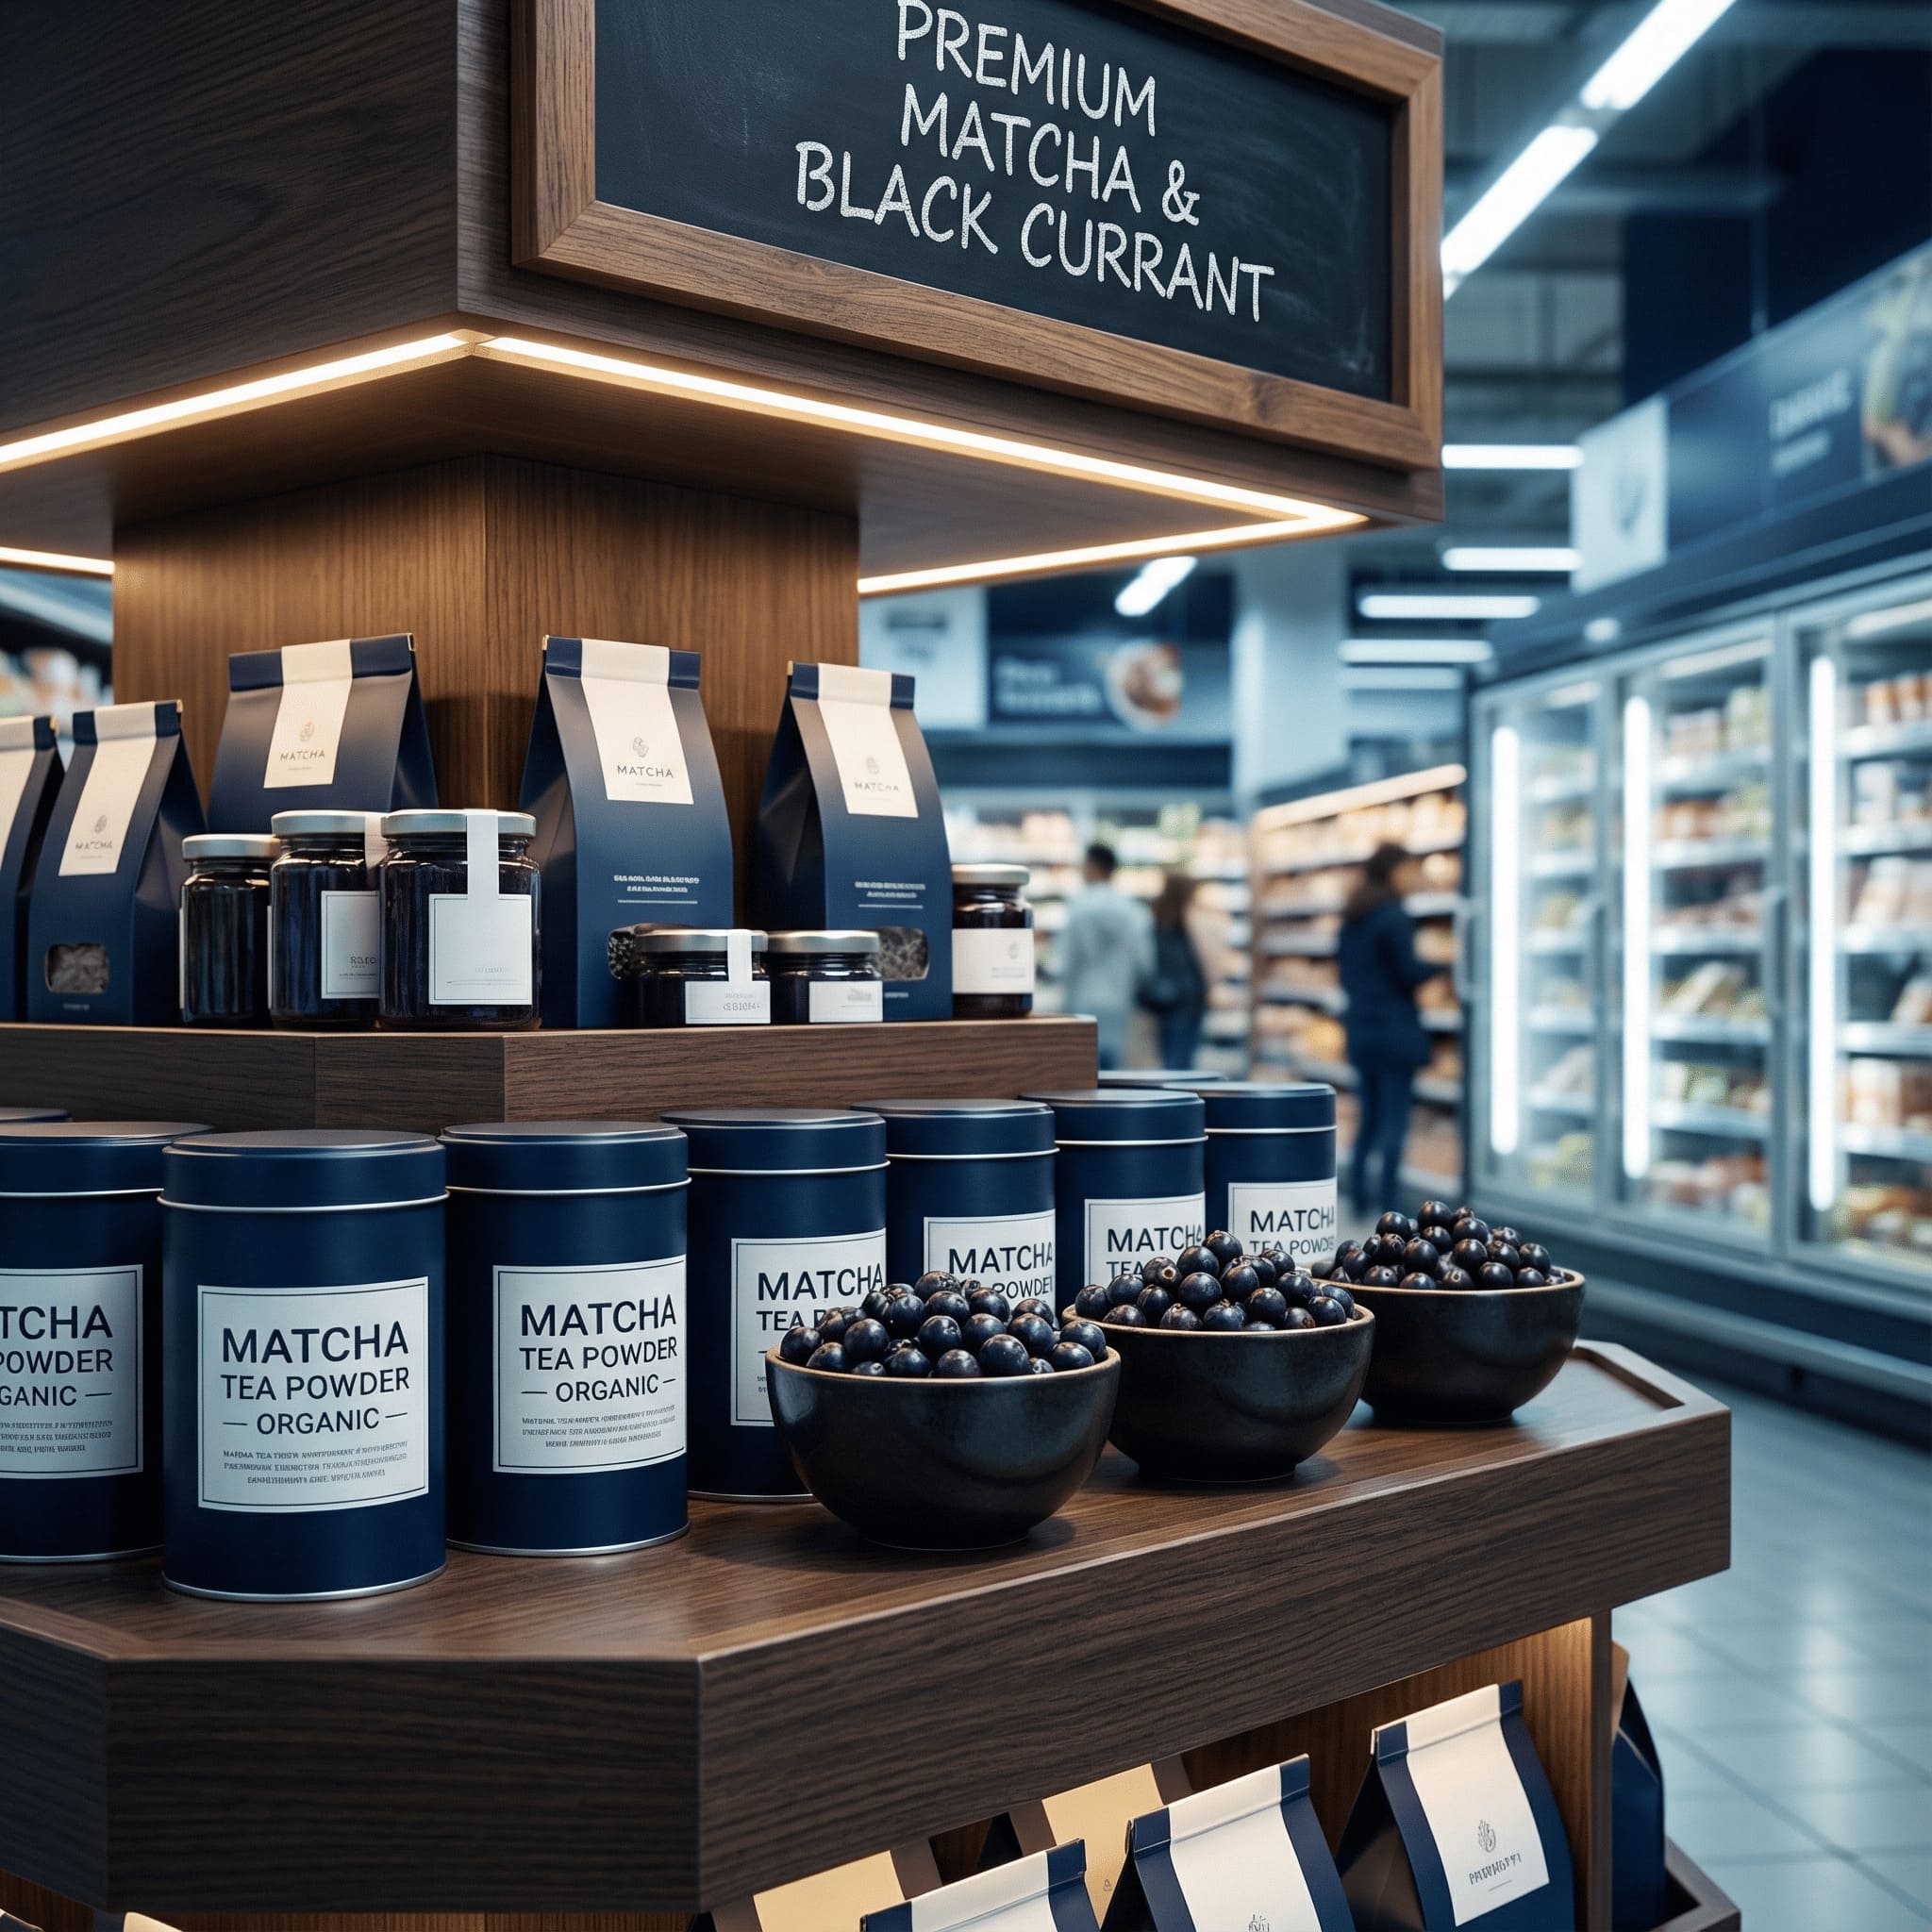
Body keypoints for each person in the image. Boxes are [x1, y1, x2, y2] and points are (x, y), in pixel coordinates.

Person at [1337, 841, 1437, 1211]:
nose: (1414, 878)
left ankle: (1358, 1196)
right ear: (1393, 871)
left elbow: (1345, 974)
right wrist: (1441, 965)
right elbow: (1407, 971)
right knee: (1395, 1120)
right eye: (1409, 870)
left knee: (1369, 1116)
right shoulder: (1393, 916)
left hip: (1362, 1029)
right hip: (1395, 1030)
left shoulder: (1353, 916)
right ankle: (1390, 1204)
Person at [1060, 841, 1155, 1072]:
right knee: (1113, 1069)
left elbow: (1064, 961)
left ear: (1092, 866)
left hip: (1081, 1000)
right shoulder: (1134, 911)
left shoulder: (1077, 909)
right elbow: (1145, 963)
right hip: (1119, 999)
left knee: (1082, 1068)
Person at [1141, 871, 1209, 1071]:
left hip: (1164, 1000)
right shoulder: (1190, 919)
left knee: (1169, 1056)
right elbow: (1204, 958)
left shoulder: (1157, 918)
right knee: (1182, 1060)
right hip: (1189, 998)